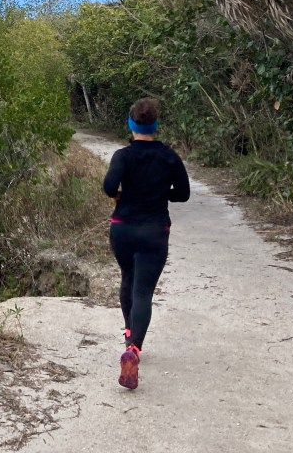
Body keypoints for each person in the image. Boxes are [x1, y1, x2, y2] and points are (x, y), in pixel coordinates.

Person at [103, 97, 189, 390]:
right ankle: (133, 348)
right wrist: (162, 194)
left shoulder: (123, 156)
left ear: (130, 124)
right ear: (156, 125)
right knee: (143, 291)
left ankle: (130, 335)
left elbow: (108, 186)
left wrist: (121, 195)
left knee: (128, 278)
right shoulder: (169, 157)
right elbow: (183, 194)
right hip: (154, 231)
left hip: (123, 229)